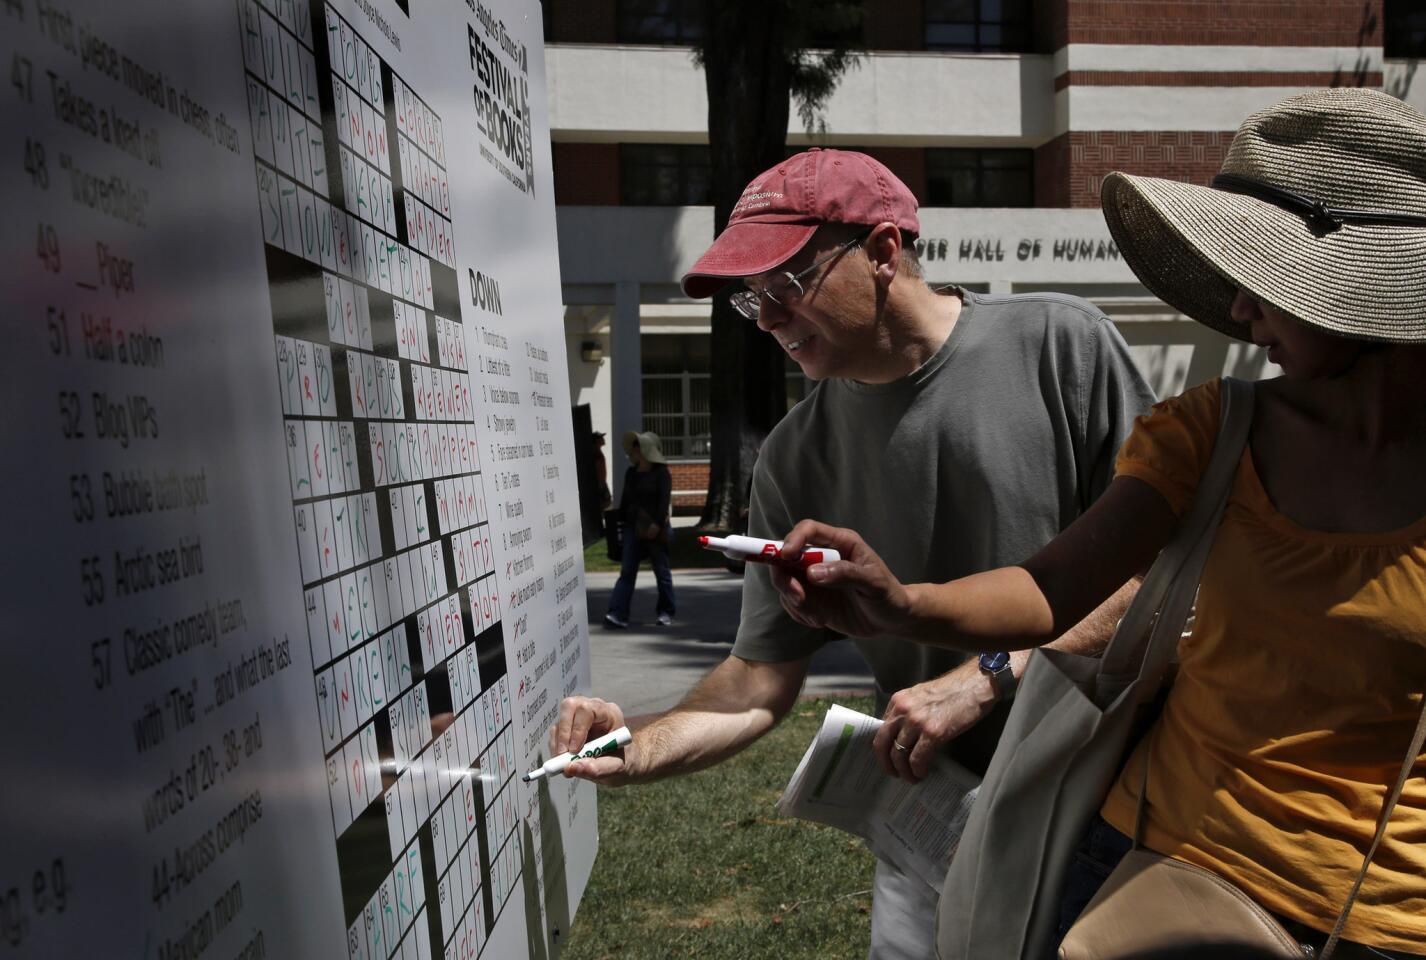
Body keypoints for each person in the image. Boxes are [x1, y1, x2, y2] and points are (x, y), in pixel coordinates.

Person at [770, 90, 1426, 958]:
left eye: (1270, 283)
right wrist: (902, 604)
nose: (1240, 309)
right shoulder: (1212, 433)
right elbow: (1051, 586)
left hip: (1388, 919)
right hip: (1162, 872)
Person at [557, 148, 1156, 957]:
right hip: (929, 828)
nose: (765, 317)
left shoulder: (1062, 347)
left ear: (881, 252)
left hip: (1112, 813)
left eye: (783, 284)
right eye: (748, 298)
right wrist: (638, 748)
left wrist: (987, 679)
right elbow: (759, 676)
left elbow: (1167, 575)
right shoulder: (795, 457)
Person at [605, 430, 676, 628]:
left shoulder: (661, 473)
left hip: (655, 528)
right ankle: (617, 613)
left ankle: (666, 611)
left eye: (638, 446)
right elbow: (626, 501)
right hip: (632, 529)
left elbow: (664, 501)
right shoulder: (631, 473)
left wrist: (657, 524)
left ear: (647, 450)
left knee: (661, 572)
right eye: (634, 446)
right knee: (627, 571)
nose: (634, 450)